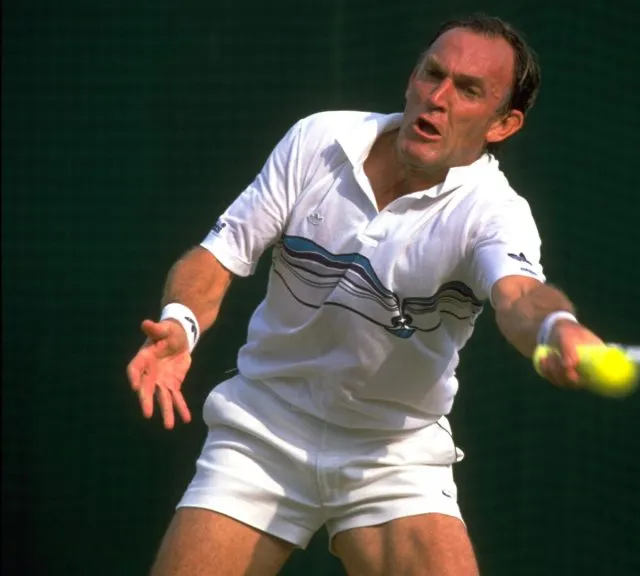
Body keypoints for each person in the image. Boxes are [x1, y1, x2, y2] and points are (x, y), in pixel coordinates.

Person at [126, 14, 605, 576]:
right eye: (433, 74)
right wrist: (180, 322)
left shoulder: (494, 214)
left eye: (469, 91)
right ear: (412, 77)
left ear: (503, 124)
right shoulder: (318, 140)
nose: (439, 97)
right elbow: (219, 254)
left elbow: (521, 295)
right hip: (264, 430)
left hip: (392, 455)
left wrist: (556, 328)